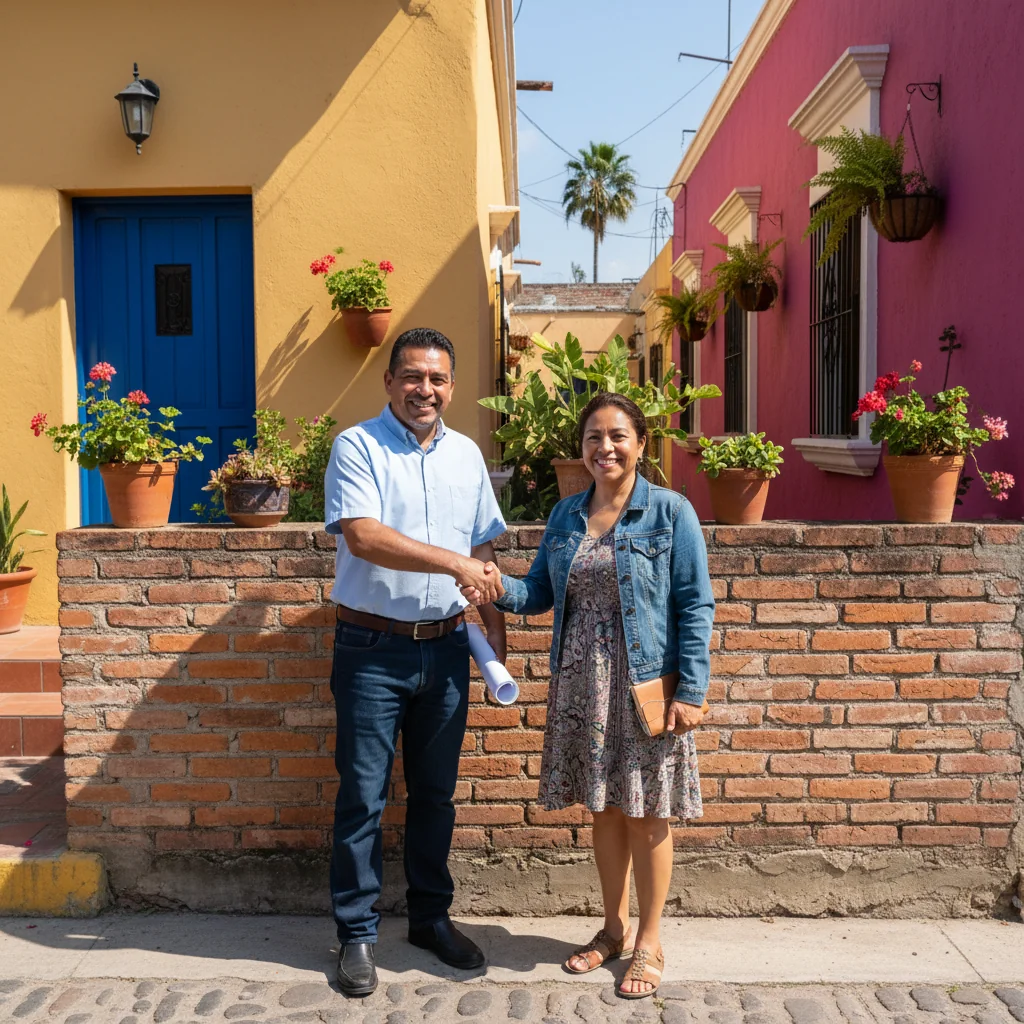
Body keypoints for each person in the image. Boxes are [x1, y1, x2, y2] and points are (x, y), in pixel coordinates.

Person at [477, 393, 714, 999]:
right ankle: (613, 928)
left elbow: (696, 604)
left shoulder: (671, 512)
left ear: (640, 443)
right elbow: (539, 592)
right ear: (581, 448)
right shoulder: (565, 514)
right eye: (592, 437)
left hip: (644, 684)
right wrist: (495, 586)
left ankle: (650, 941)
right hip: (583, 684)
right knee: (604, 808)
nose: (604, 447)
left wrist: (692, 689)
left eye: (617, 436)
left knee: (648, 810)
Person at [324, 327, 508, 997]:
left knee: (435, 796)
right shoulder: (357, 446)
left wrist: (497, 648)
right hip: (372, 650)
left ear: (451, 387)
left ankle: (430, 919)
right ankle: (356, 934)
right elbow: (364, 536)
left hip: (449, 649)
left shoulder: (467, 455)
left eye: (436, 378)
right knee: (363, 797)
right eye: (411, 376)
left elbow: (484, 551)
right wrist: (454, 563)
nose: (423, 389)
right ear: (390, 382)